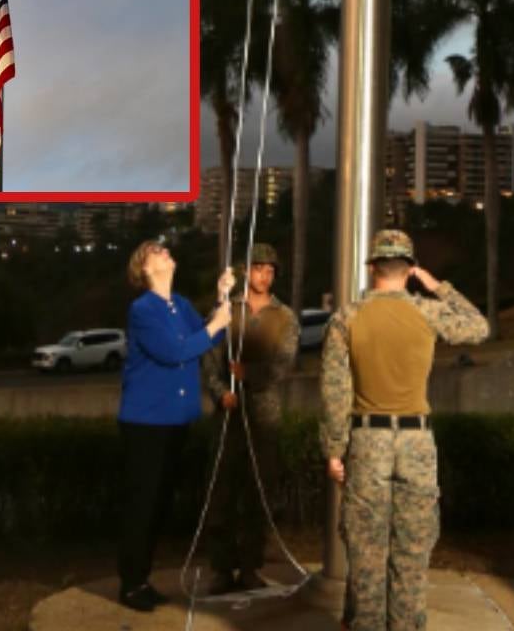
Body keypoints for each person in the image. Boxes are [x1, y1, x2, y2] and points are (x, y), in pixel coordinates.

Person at [321, 229, 489, 630]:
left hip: (367, 441)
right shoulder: (426, 311)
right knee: (413, 552)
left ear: (371, 267)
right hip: (417, 442)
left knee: (366, 552)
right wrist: (437, 286)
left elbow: (334, 392)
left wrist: (333, 449)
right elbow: (478, 327)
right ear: (410, 269)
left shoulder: (346, 317)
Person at [117, 237, 234, 612]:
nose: (165, 251)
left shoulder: (179, 304)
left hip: (175, 420)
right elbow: (175, 351)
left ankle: (142, 579)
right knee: (142, 504)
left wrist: (221, 298)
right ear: (145, 268)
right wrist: (216, 322)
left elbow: (205, 335)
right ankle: (131, 584)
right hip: (146, 422)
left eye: (165, 249)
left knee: (159, 504)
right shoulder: (143, 309)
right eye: (156, 251)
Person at [202, 242, 299, 594]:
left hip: (264, 416)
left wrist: (249, 374)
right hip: (229, 413)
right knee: (223, 491)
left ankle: (250, 566)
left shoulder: (284, 317)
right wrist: (219, 391)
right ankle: (221, 568)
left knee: (259, 492)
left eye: (271, 270)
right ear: (247, 271)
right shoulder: (227, 310)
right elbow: (210, 358)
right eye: (259, 268)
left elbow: (284, 364)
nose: (265, 275)